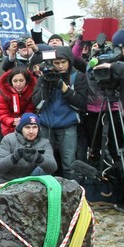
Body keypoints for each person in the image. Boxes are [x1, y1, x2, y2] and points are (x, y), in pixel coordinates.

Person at [32, 46, 88, 181]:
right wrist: (46, 83)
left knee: (69, 164)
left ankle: (72, 194)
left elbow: (81, 104)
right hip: (46, 125)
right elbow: (36, 103)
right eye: (56, 63)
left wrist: (63, 87)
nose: (61, 66)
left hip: (68, 125)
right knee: (45, 164)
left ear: (69, 61)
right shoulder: (44, 77)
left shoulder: (77, 77)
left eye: (64, 62)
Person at [0, 113, 57, 188]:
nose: (31, 131)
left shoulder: (44, 143)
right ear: (21, 128)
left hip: (28, 182)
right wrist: (15, 156)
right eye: (27, 127)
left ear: (39, 129)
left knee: (44, 170)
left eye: (34, 127)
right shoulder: (8, 139)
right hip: (4, 180)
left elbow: (53, 167)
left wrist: (39, 158)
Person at [0, 67, 37, 135]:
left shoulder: (31, 93)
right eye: (15, 81)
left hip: (27, 126)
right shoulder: (4, 94)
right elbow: (2, 114)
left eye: (21, 80)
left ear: (26, 81)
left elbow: (30, 110)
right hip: (9, 127)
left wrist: (22, 120)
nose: (18, 84)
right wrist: (12, 121)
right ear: (11, 82)